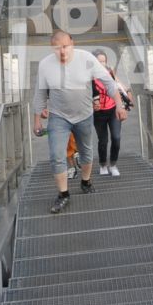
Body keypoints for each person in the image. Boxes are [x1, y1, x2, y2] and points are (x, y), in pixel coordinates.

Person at [32, 30, 115, 214]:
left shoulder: (86, 59)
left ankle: (86, 181)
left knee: (86, 151)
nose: (62, 52)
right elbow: (39, 93)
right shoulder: (45, 65)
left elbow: (108, 81)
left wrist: (119, 105)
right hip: (58, 116)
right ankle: (63, 194)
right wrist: (37, 119)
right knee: (56, 155)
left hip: (84, 115)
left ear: (72, 43)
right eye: (57, 48)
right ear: (51, 48)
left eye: (65, 46)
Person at [91, 50, 132, 176]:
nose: (102, 64)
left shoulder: (110, 72)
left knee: (116, 138)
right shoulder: (88, 76)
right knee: (103, 141)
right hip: (98, 113)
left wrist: (128, 92)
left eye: (104, 61)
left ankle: (113, 164)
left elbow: (119, 85)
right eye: (99, 62)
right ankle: (103, 165)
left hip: (113, 109)